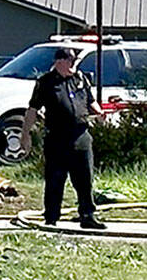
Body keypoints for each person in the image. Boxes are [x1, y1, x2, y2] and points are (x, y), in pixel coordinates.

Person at [20, 47, 106, 229]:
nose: (73, 65)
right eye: (70, 61)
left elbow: (90, 101)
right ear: (59, 62)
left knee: (85, 178)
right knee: (55, 179)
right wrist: (25, 134)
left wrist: (99, 112)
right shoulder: (46, 83)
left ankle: (87, 215)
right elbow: (33, 109)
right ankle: (51, 217)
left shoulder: (80, 79)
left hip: (81, 135)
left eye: (74, 61)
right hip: (57, 138)